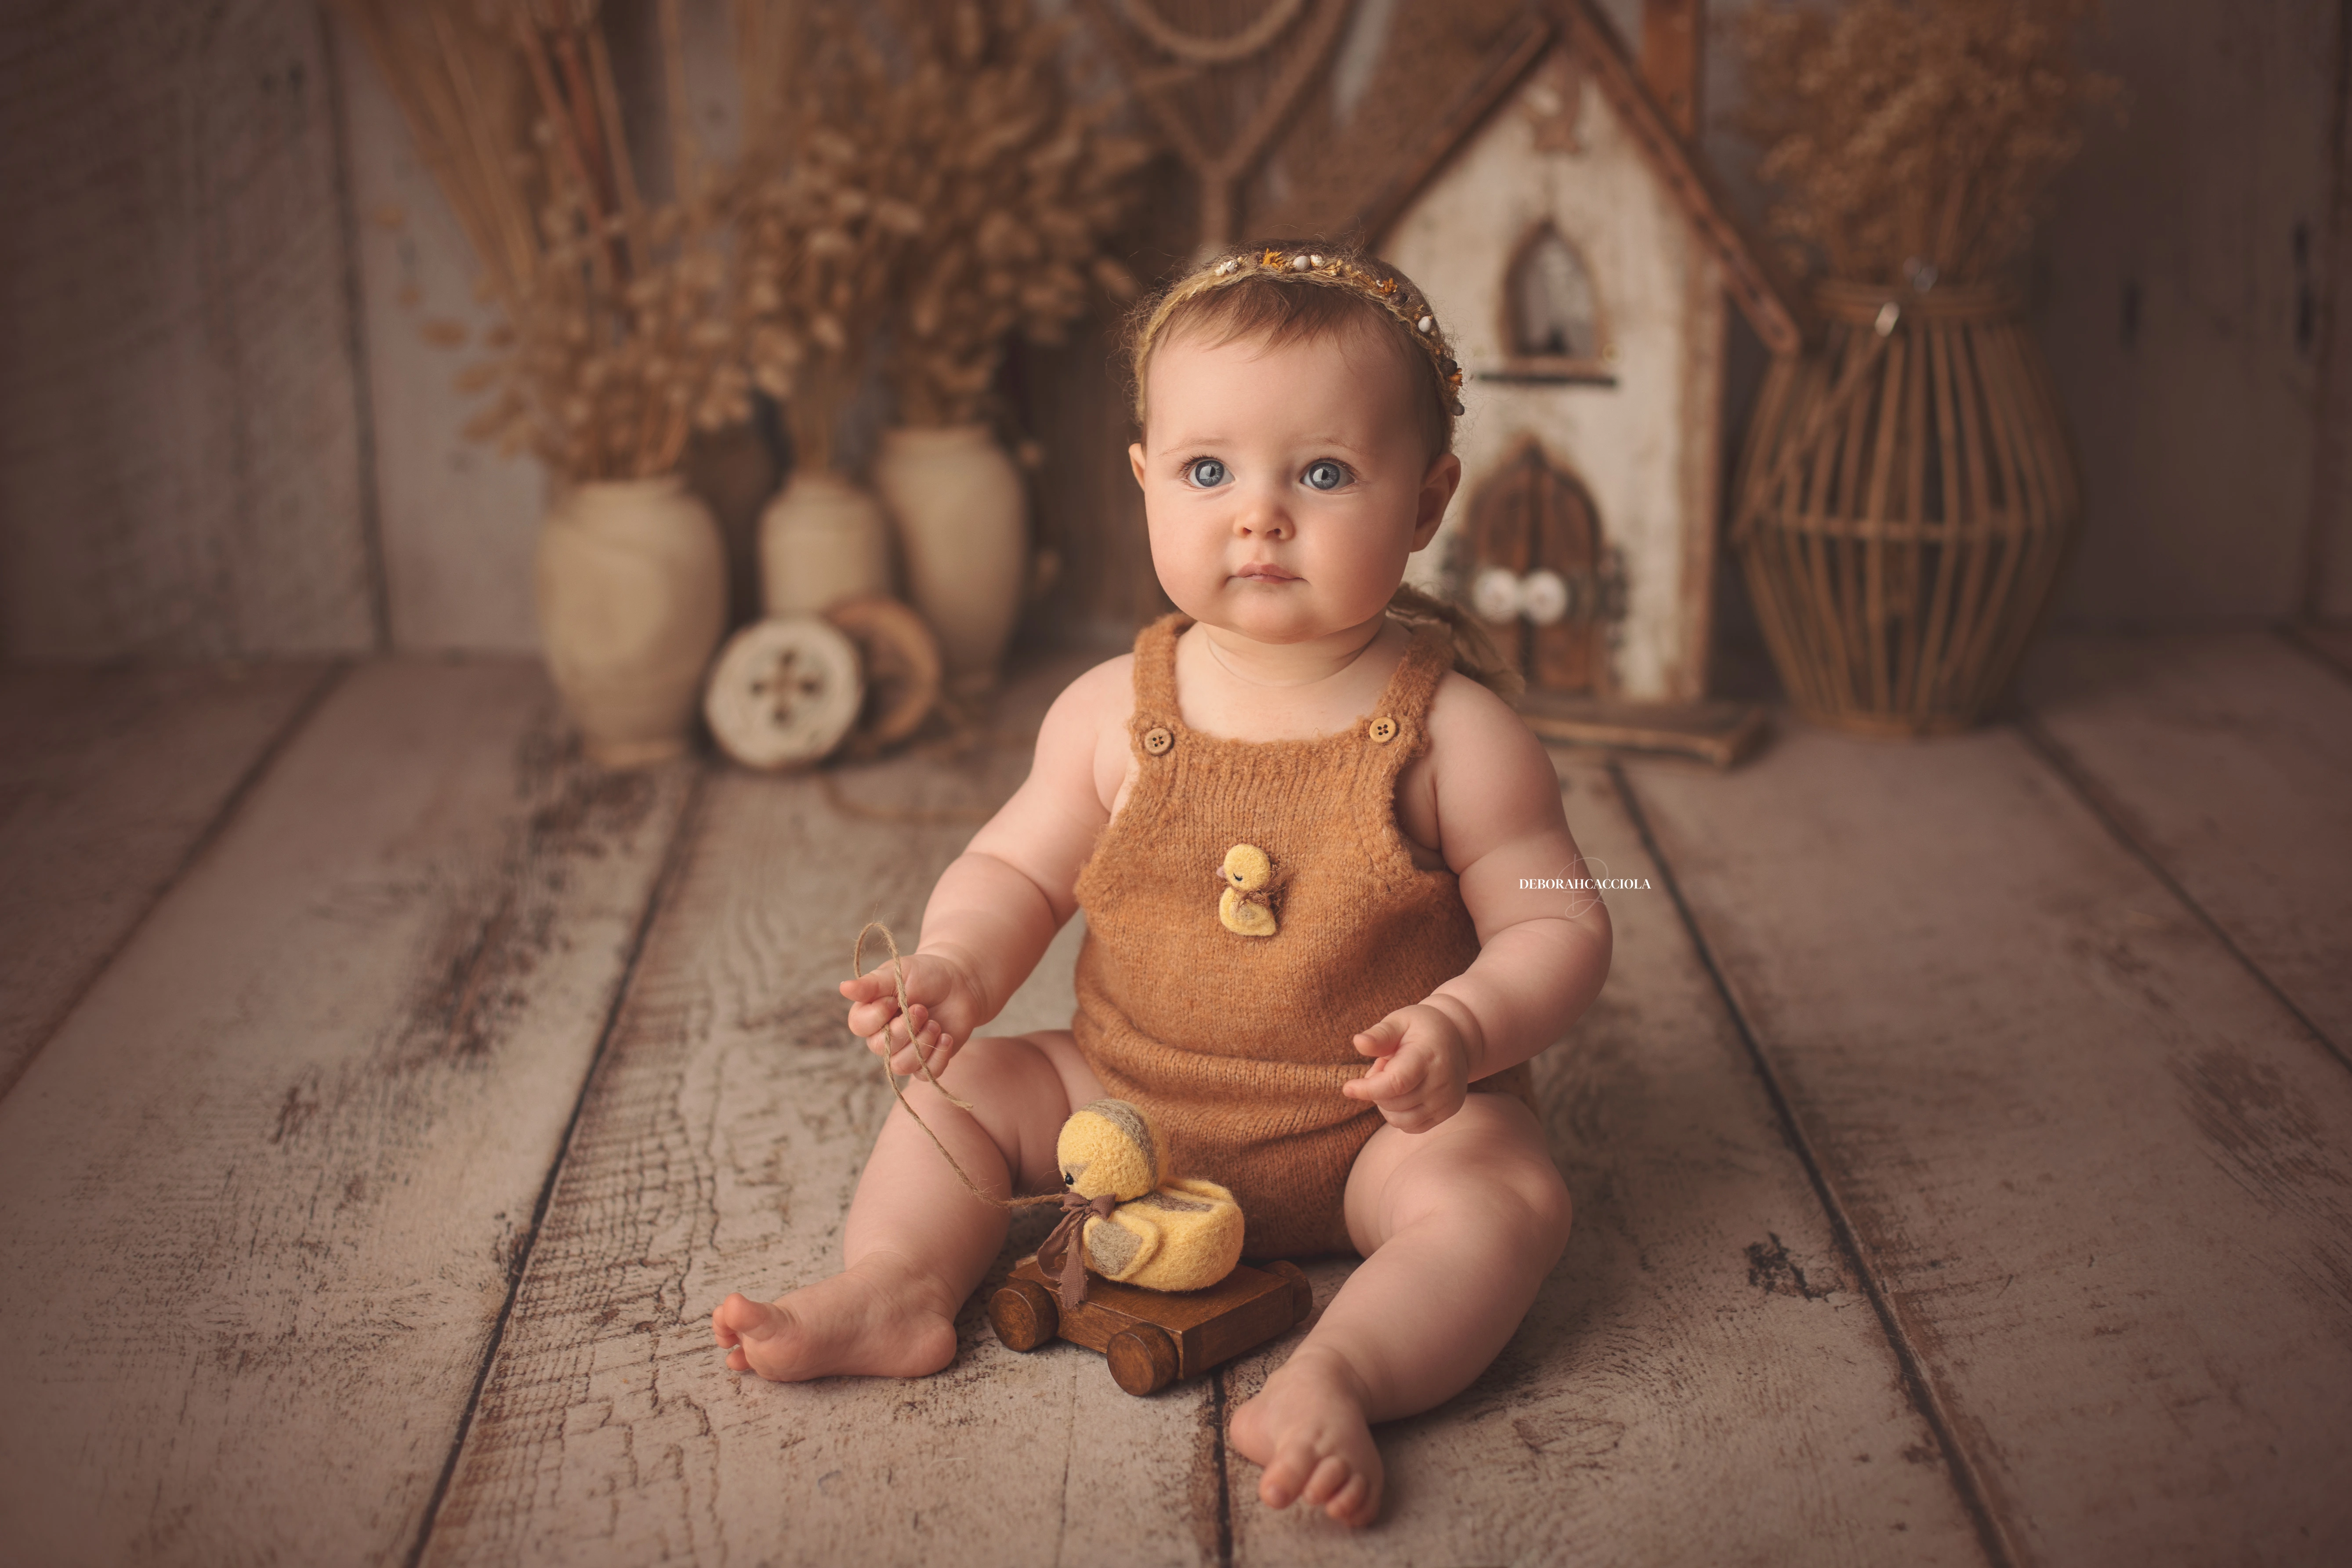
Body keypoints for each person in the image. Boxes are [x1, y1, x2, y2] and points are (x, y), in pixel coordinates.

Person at [713, 244, 1613, 1528]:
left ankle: (1342, 1373)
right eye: (1208, 470)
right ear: (1144, 482)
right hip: (1123, 1107)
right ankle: (902, 1286)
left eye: (1324, 472)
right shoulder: (1107, 714)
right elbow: (1016, 866)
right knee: (955, 1087)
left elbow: (1558, 922)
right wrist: (959, 966)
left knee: (1510, 1196)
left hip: (1376, 1129)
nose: (1260, 514)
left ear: (1426, 500)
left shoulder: (1457, 735)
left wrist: (1464, 1030)